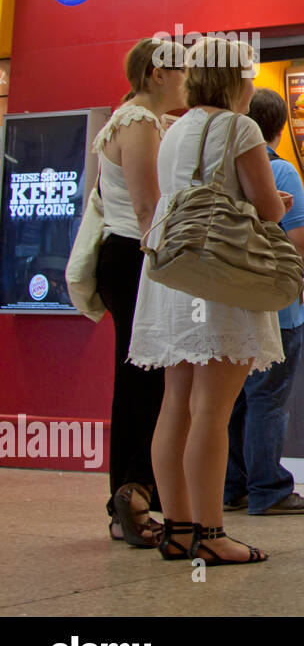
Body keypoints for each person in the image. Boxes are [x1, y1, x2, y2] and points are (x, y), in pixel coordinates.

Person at [129, 37, 288, 565]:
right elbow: (267, 209)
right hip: (220, 277)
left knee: (175, 403)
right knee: (213, 410)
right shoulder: (238, 127)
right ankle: (211, 533)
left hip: (172, 276)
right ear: (236, 80)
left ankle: (176, 526)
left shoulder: (174, 128)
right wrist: (279, 201)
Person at [92, 37, 187, 547]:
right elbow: (150, 209)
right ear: (156, 74)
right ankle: (129, 500)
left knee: (143, 380)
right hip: (136, 259)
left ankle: (132, 499)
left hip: (129, 256)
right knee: (140, 381)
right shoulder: (138, 123)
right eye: (180, 71)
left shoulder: (138, 119)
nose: (187, 81)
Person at [222, 89, 304, 516]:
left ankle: (232, 487)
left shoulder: (221, 169)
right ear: (281, 128)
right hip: (276, 314)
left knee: (230, 401)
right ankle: (269, 488)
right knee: (269, 400)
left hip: (228, 306)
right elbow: (303, 241)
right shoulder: (278, 171)